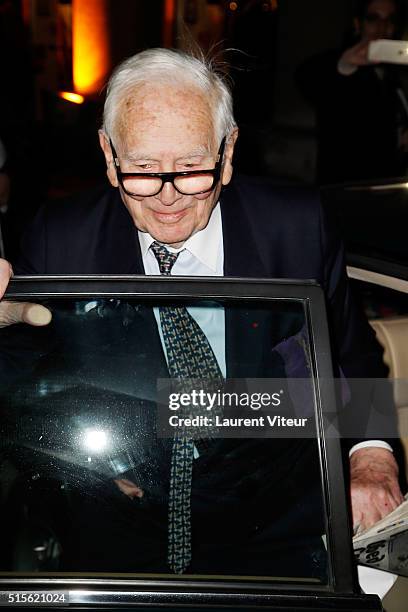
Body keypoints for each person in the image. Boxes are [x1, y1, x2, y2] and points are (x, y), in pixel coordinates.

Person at [0, 47, 404, 574]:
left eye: (191, 168)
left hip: (275, 524)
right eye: (143, 169)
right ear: (107, 154)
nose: (168, 196)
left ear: (229, 150)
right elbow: (23, 379)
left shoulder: (296, 227)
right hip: (119, 526)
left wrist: (371, 457)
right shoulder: (61, 239)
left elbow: (348, 355)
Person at [297, 0, 408, 184]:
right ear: (358, 23)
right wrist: (345, 65)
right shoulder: (343, 65)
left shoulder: (391, 75)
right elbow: (307, 77)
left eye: (390, 19)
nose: (382, 26)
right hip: (346, 190)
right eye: (373, 18)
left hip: (385, 185)